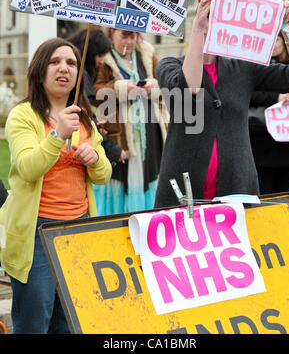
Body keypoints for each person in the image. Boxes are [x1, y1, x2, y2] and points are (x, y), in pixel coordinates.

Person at [0, 38, 112, 334]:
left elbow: (103, 174)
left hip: (78, 229)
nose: (64, 68)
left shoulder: (84, 117)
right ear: (39, 71)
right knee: (35, 320)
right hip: (37, 233)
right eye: (55, 61)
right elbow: (27, 168)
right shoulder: (23, 115)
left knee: (69, 320)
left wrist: (94, 159)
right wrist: (57, 135)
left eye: (72, 63)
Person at [154, 0, 289, 209]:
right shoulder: (168, 65)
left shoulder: (243, 67)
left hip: (237, 186)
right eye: (208, 22)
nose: (212, 28)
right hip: (184, 189)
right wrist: (197, 31)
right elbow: (190, 89)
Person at [93, 28, 168, 215]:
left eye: (132, 36)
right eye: (124, 36)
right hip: (119, 135)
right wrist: (122, 89)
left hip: (149, 132)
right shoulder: (104, 58)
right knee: (121, 178)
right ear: (111, 34)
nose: (129, 41)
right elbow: (95, 92)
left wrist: (152, 87)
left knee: (149, 175)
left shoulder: (147, 54)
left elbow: (165, 82)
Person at [249, 32, 289, 194]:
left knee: (283, 193)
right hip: (262, 135)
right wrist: (277, 97)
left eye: (276, 39)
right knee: (264, 193)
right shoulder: (256, 65)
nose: (273, 44)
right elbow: (247, 94)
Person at [68, 26, 126, 166]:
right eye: (99, 56)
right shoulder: (82, 76)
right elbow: (84, 117)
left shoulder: (81, 74)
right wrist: (113, 150)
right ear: (89, 53)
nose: (101, 62)